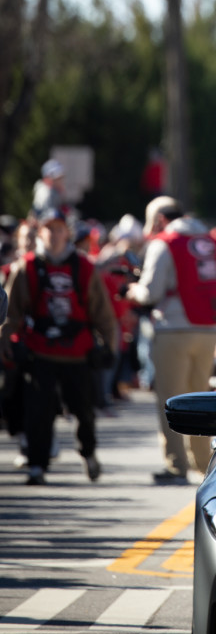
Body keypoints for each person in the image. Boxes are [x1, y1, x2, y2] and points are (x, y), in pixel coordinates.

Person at [0, 207, 118, 485]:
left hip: (77, 352)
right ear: (40, 231)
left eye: (59, 229)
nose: (54, 235)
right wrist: (5, 340)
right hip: (39, 351)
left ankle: (88, 453)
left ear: (68, 233)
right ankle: (37, 465)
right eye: (48, 229)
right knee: (37, 412)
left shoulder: (84, 267)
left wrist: (109, 346)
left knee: (84, 412)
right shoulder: (26, 267)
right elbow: (13, 312)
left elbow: (102, 312)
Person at [126, 196, 216, 483]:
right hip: (208, 329)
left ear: (159, 219)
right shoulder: (209, 241)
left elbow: (151, 292)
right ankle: (203, 462)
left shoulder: (164, 243)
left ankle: (176, 464)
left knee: (171, 398)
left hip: (173, 328)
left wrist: (134, 290)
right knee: (201, 397)